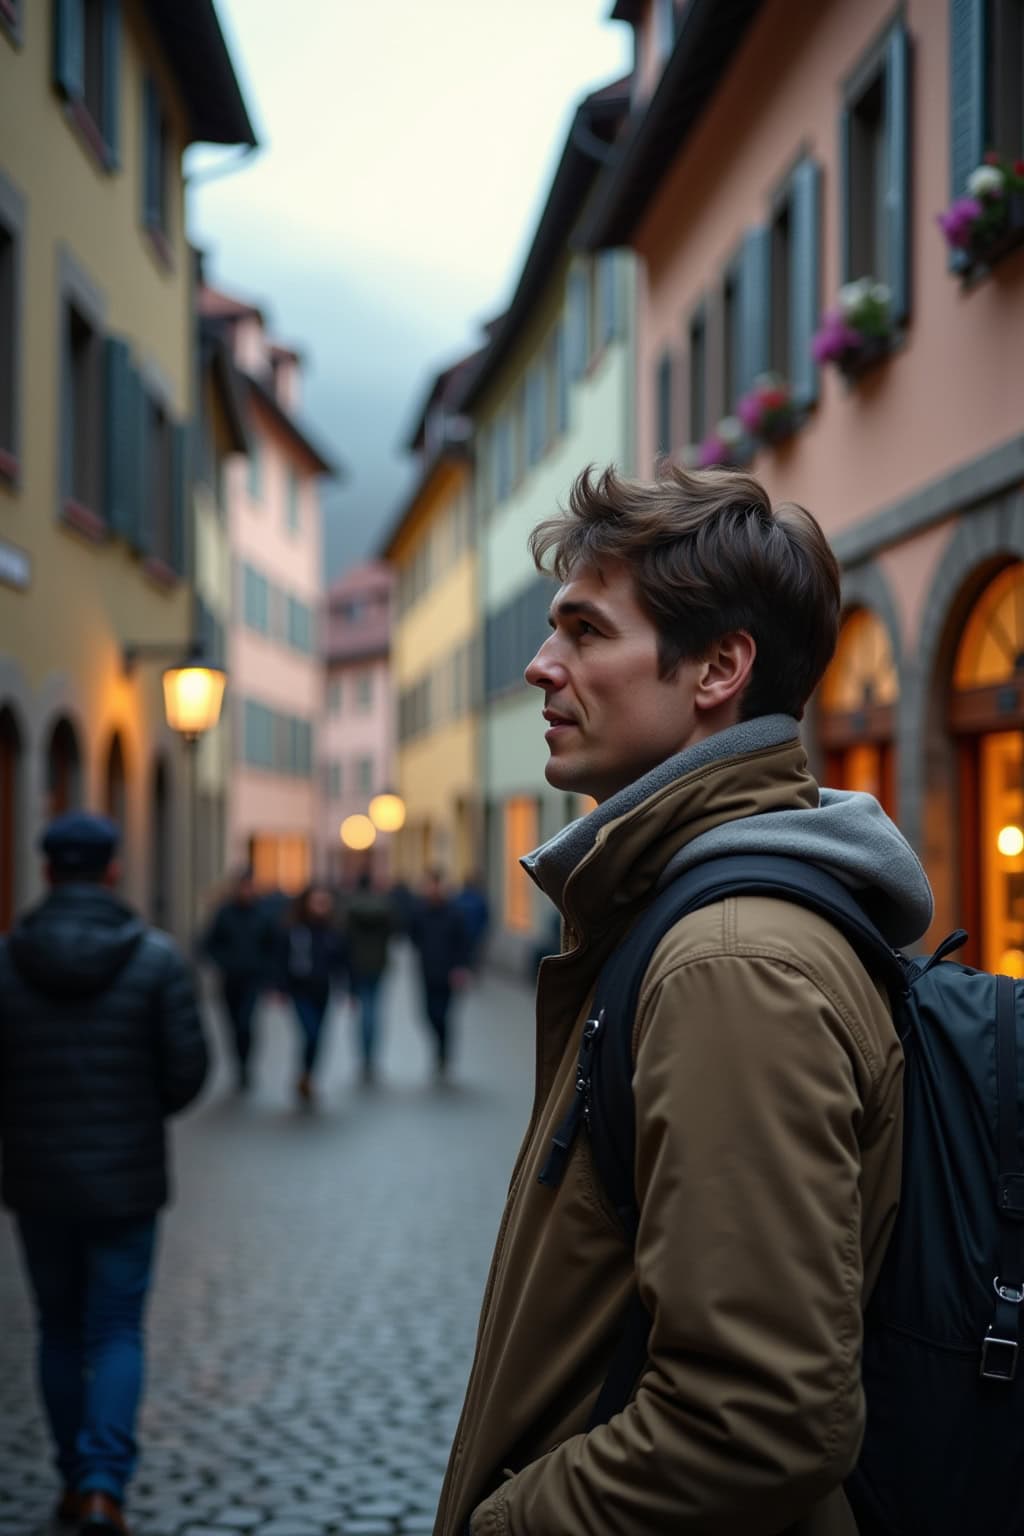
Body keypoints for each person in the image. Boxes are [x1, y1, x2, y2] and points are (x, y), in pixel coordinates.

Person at [433, 466, 934, 1536]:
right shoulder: (685, 915)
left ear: (718, 667)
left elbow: (753, 1420)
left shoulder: (731, 963)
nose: (538, 666)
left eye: (583, 631)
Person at [0, 813, 207, 1536]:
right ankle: (101, 1483)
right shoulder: (154, 958)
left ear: (49, 871)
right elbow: (187, 1077)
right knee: (116, 1327)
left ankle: (70, 1476)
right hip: (125, 1183)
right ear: (114, 870)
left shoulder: (7, 958)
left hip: (36, 1181)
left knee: (58, 1327)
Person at [200, 868, 276, 1091]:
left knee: (246, 1023)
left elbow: (272, 946)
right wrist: (224, 962)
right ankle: (239, 1064)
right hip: (230, 979)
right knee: (233, 1025)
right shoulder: (225, 913)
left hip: (253, 979)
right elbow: (208, 943)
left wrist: (267, 973)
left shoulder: (262, 914)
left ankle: (246, 1064)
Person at [279, 882, 348, 1105]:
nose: (321, 906)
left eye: (325, 902)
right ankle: (305, 1075)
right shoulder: (293, 929)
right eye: (317, 901)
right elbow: (279, 958)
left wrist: (347, 986)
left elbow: (342, 960)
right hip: (300, 990)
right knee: (310, 1032)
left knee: (318, 1036)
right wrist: (279, 986)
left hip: (322, 990)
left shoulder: (333, 930)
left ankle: (307, 1075)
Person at [408, 869, 470, 1082]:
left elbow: (463, 942)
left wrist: (461, 967)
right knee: (427, 1014)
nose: (432, 889)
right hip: (426, 970)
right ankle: (440, 1045)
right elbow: (413, 936)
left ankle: (443, 1052)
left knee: (443, 1014)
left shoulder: (454, 912)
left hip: (449, 972)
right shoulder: (419, 911)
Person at [343, 869, 395, 1085]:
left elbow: (343, 938)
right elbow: (393, 930)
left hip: (357, 965)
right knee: (373, 1009)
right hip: (378, 964)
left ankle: (365, 1055)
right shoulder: (383, 907)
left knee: (364, 1010)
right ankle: (370, 1054)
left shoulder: (350, 908)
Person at [452, 873, 491, 973]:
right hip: (474, 933)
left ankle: (467, 969)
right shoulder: (478, 898)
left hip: (466, 934)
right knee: (473, 954)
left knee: (466, 954)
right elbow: (485, 917)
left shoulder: (460, 898)